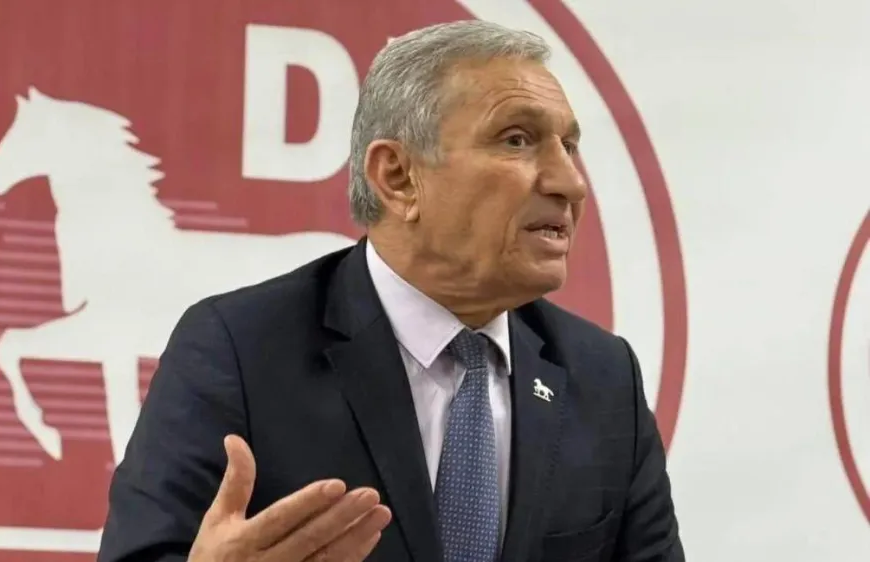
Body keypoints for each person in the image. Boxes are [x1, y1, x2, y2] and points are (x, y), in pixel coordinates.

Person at [98, 19, 684, 562]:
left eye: (569, 146)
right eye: (516, 140)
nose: (569, 182)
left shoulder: (604, 376)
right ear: (398, 177)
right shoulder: (240, 350)